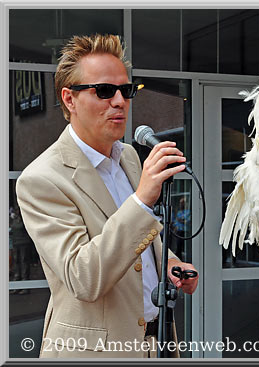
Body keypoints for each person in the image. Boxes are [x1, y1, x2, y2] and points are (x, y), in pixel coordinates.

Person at [16, 34, 198, 358]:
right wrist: (142, 201)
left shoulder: (128, 156)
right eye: (104, 91)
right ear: (69, 99)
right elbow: (83, 277)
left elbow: (142, 240)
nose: (119, 101)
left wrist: (169, 262)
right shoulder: (41, 179)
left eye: (126, 90)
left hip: (155, 345)